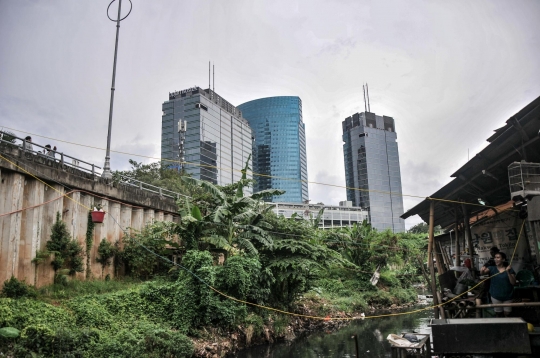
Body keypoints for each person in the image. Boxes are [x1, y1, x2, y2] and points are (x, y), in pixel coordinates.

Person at [480, 252, 516, 317]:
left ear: (503, 259)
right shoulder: (492, 268)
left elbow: (513, 282)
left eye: (498, 257)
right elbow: (483, 273)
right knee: (498, 313)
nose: (495, 259)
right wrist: (482, 270)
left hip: (508, 296)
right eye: (495, 257)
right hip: (495, 295)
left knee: (507, 313)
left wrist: (508, 272)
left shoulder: (509, 269)